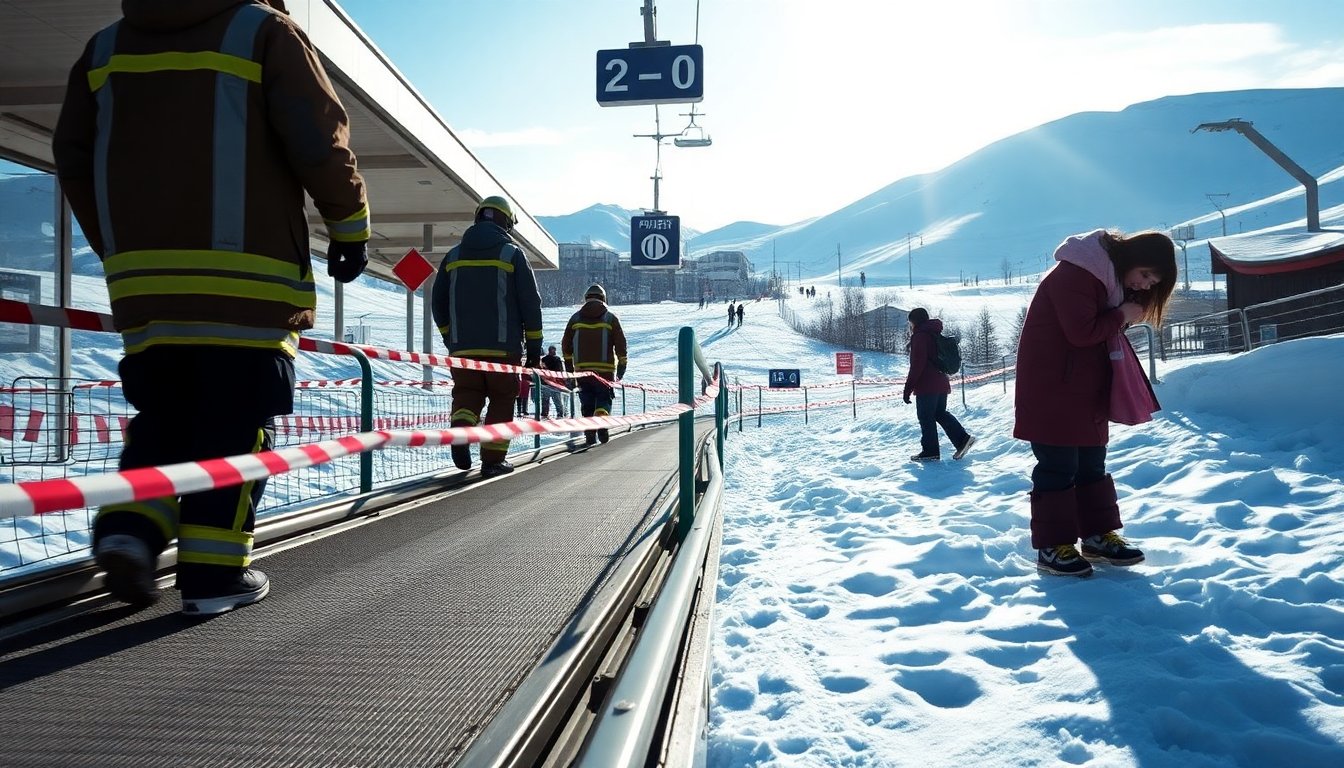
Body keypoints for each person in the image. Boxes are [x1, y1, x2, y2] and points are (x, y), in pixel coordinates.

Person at [51, 0, 370, 616]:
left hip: (147, 292)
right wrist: (350, 226)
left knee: (164, 415)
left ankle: (130, 530)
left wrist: (122, 248)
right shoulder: (264, 31)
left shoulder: (104, 50)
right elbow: (318, 138)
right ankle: (215, 577)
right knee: (236, 421)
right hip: (248, 285)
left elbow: (74, 160)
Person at [1015, 229, 1176, 577]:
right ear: (1131, 258)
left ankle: (1097, 536)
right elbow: (1081, 331)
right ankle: (1052, 545)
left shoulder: (1106, 280)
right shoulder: (1078, 272)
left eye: (1153, 281)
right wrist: (1121, 315)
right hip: (1052, 386)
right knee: (1058, 465)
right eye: (1146, 275)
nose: (1147, 285)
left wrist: (1122, 311)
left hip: (1084, 386)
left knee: (1091, 463)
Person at [431, 195, 543, 478]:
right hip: (503, 351)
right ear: (506, 221)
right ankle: (492, 460)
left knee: (467, 394)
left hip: (463, 350)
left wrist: (450, 338)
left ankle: (461, 431)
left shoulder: (453, 256)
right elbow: (530, 303)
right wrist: (534, 349)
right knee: (503, 399)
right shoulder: (512, 254)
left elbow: (438, 302)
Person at [903, 308, 975, 462]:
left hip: (927, 385)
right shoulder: (934, 332)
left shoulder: (920, 337)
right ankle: (963, 440)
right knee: (939, 413)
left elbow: (917, 365)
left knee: (926, 417)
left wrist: (907, 389)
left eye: (910, 323)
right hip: (941, 382)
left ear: (914, 322)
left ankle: (930, 452)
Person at [562, 284, 627, 445]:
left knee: (587, 401)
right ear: (604, 299)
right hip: (605, 371)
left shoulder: (575, 318)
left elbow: (566, 345)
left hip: (582, 370)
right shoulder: (610, 318)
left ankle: (589, 432)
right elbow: (621, 344)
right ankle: (602, 422)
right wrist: (622, 365)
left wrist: (570, 368)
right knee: (604, 398)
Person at [540, 345, 566, 418]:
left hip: (546, 382)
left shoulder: (544, 359)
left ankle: (544, 413)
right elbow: (560, 370)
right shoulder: (557, 359)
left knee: (545, 400)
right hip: (555, 382)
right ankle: (560, 413)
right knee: (557, 399)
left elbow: (542, 369)